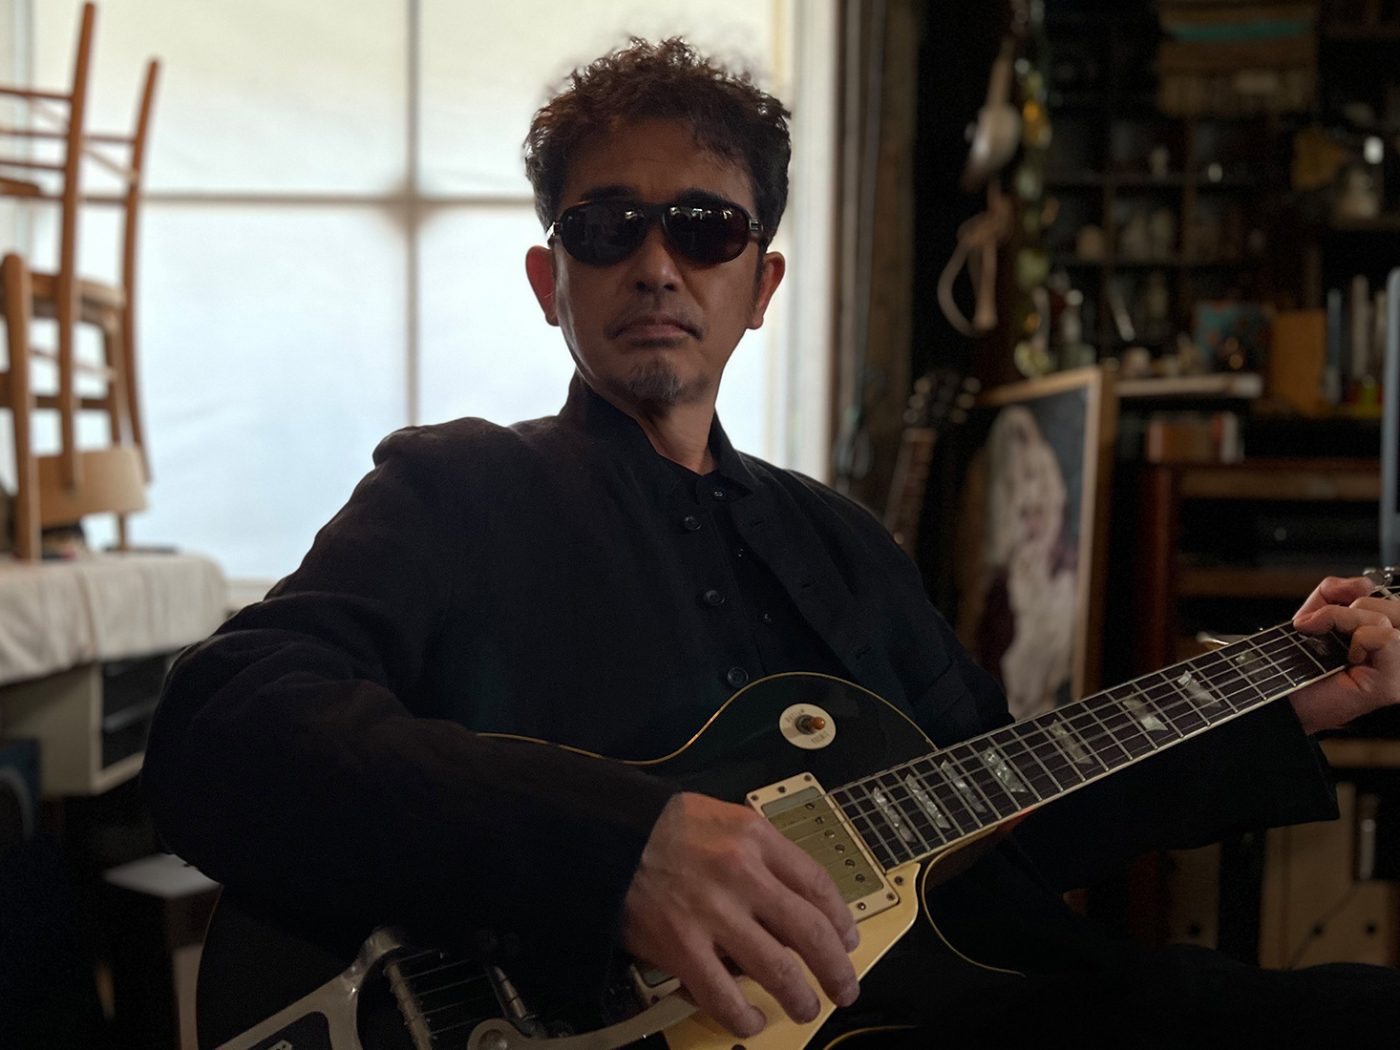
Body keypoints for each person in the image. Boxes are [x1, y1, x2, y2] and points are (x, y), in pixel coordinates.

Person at [144, 38, 1400, 1048]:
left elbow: (1007, 810)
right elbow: (224, 724)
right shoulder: (458, 489)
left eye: (702, 227)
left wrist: (1278, 696)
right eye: (605, 227)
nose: (655, 265)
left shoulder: (844, 543)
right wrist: (615, 851)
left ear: (760, 285)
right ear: (547, 281)